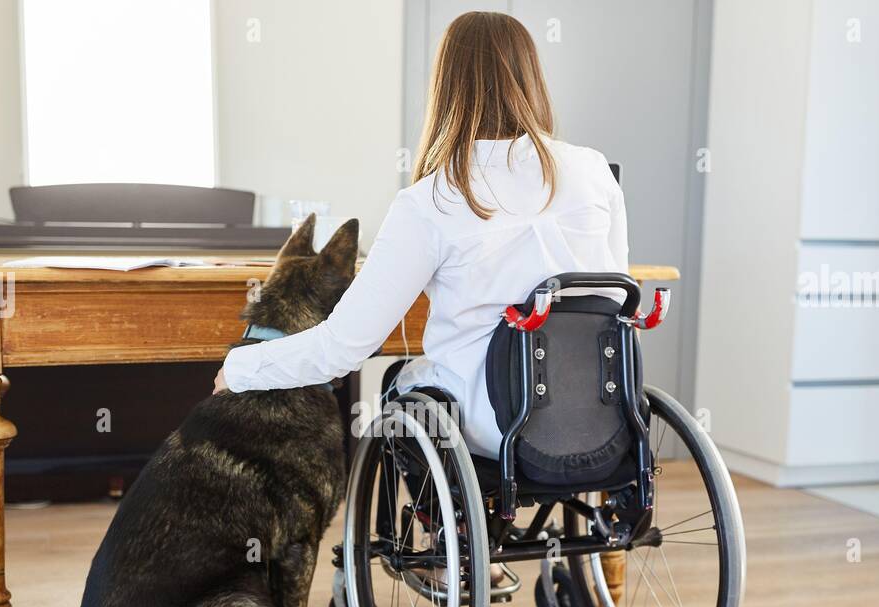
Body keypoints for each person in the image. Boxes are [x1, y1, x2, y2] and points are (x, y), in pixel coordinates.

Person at [215, 10, 628, 460]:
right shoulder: (593, 169)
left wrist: (239, 369)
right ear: (531, 77)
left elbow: (342, 349)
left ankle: (431, 522)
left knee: (400, 383)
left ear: (446, 87)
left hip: (494, 424)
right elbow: (617, 301)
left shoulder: (432, 200)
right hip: (602, 415)